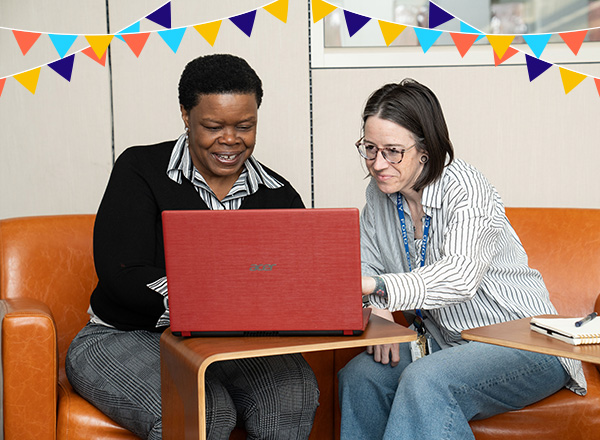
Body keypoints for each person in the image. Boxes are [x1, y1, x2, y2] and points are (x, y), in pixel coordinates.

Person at [66, 54, 319, 440]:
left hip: (227, 347)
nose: (231, 139)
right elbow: (122, 274)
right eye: (214, 126)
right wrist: (212, 299)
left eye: (245, 126)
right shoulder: (139, 169)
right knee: (202, 408)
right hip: (124, 336)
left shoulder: (278, 194)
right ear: (186, 114)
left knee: (293, 392)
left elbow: (297, 281)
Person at [338, 79, 586, 440]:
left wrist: (378, 287)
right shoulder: (379, 196)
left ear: (424, 149)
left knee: (427, 381)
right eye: (369, 148)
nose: (378, 163)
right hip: (445, 342)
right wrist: (377, 313)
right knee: (360, 377)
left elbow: (460, 276)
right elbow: (366, 263)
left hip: (524, 343)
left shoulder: (467, 189)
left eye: (392, 151)